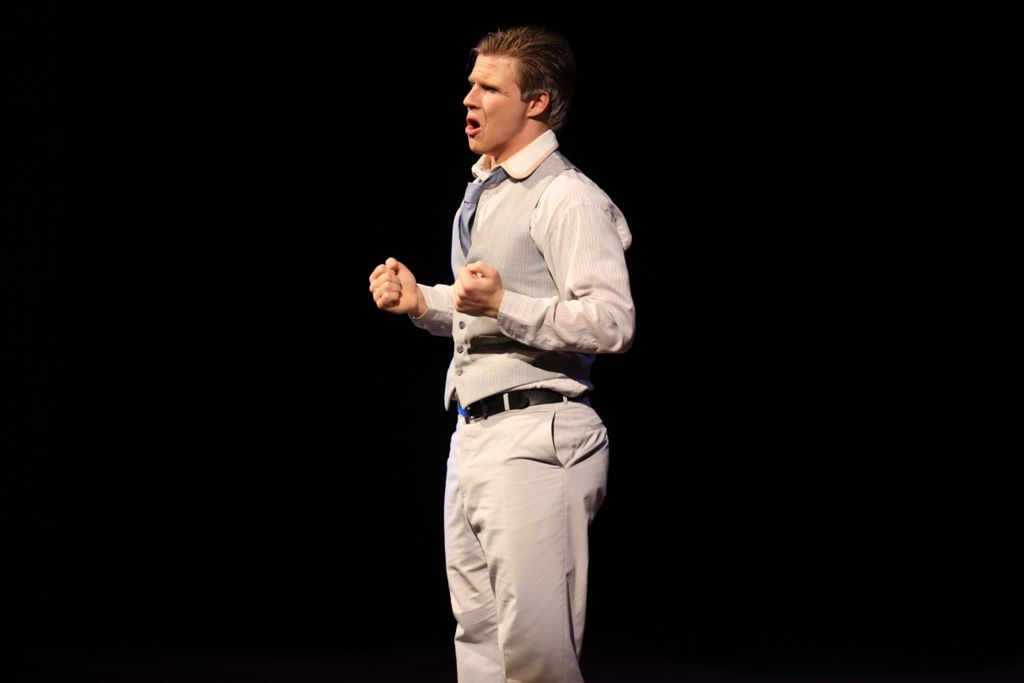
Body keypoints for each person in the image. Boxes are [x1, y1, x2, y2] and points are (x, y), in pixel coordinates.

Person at [367, 25, 634, 683]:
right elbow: (481, 310)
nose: (469, 99)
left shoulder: (567, 196)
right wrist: (422, 302)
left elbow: (611, 321)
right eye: (471, 85)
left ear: (536, 102)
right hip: (476, 433)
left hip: (539, 435)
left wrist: (504, 304)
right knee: (481, 643)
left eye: (489, 88)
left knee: (536, 658)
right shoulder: (489, 190)